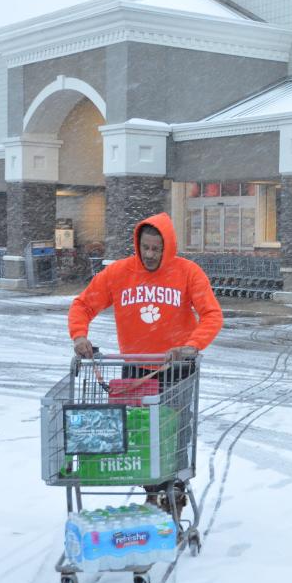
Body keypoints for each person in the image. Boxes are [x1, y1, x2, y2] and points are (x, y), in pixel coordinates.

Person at [68, 213, 223, 509]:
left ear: (168, 246)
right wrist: (79, 336)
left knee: (174, 431)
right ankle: (151, 488)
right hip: (137, 367)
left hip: (176, 369)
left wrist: (191, 346)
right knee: (140, 432)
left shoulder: (188, 273)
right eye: (145, 248)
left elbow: (212, 315)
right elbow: (83, 304)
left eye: (156, 248)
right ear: (137, 245)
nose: (150, 255)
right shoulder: (119, 273)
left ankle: (174, 487)